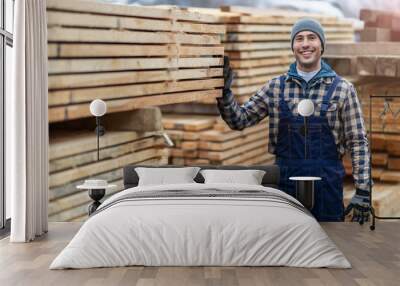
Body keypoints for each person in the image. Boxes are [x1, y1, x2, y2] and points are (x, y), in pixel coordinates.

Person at [217, 18, 371, 223]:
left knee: (330, 245)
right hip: (285, 188)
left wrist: (363, 190)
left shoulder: (343, 89)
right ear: (293, 46)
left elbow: (358, 141)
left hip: (327, 189)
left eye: (311, 38)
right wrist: (224, 93)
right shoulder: (275, 87)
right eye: (299, 39)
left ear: (321, 45)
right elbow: (240, 120)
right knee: (287, 249)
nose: (305, 44)